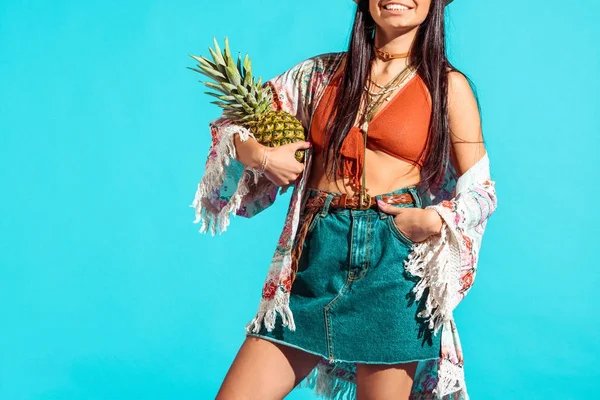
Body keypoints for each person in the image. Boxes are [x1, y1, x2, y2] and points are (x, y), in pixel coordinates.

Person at [190, 0, 498, 398]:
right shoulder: (320, 75)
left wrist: (432, 221)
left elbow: (481, 191)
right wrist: (264, 157)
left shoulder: (446, 86)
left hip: (394, 262)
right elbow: (232, 125)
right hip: (316, 254)